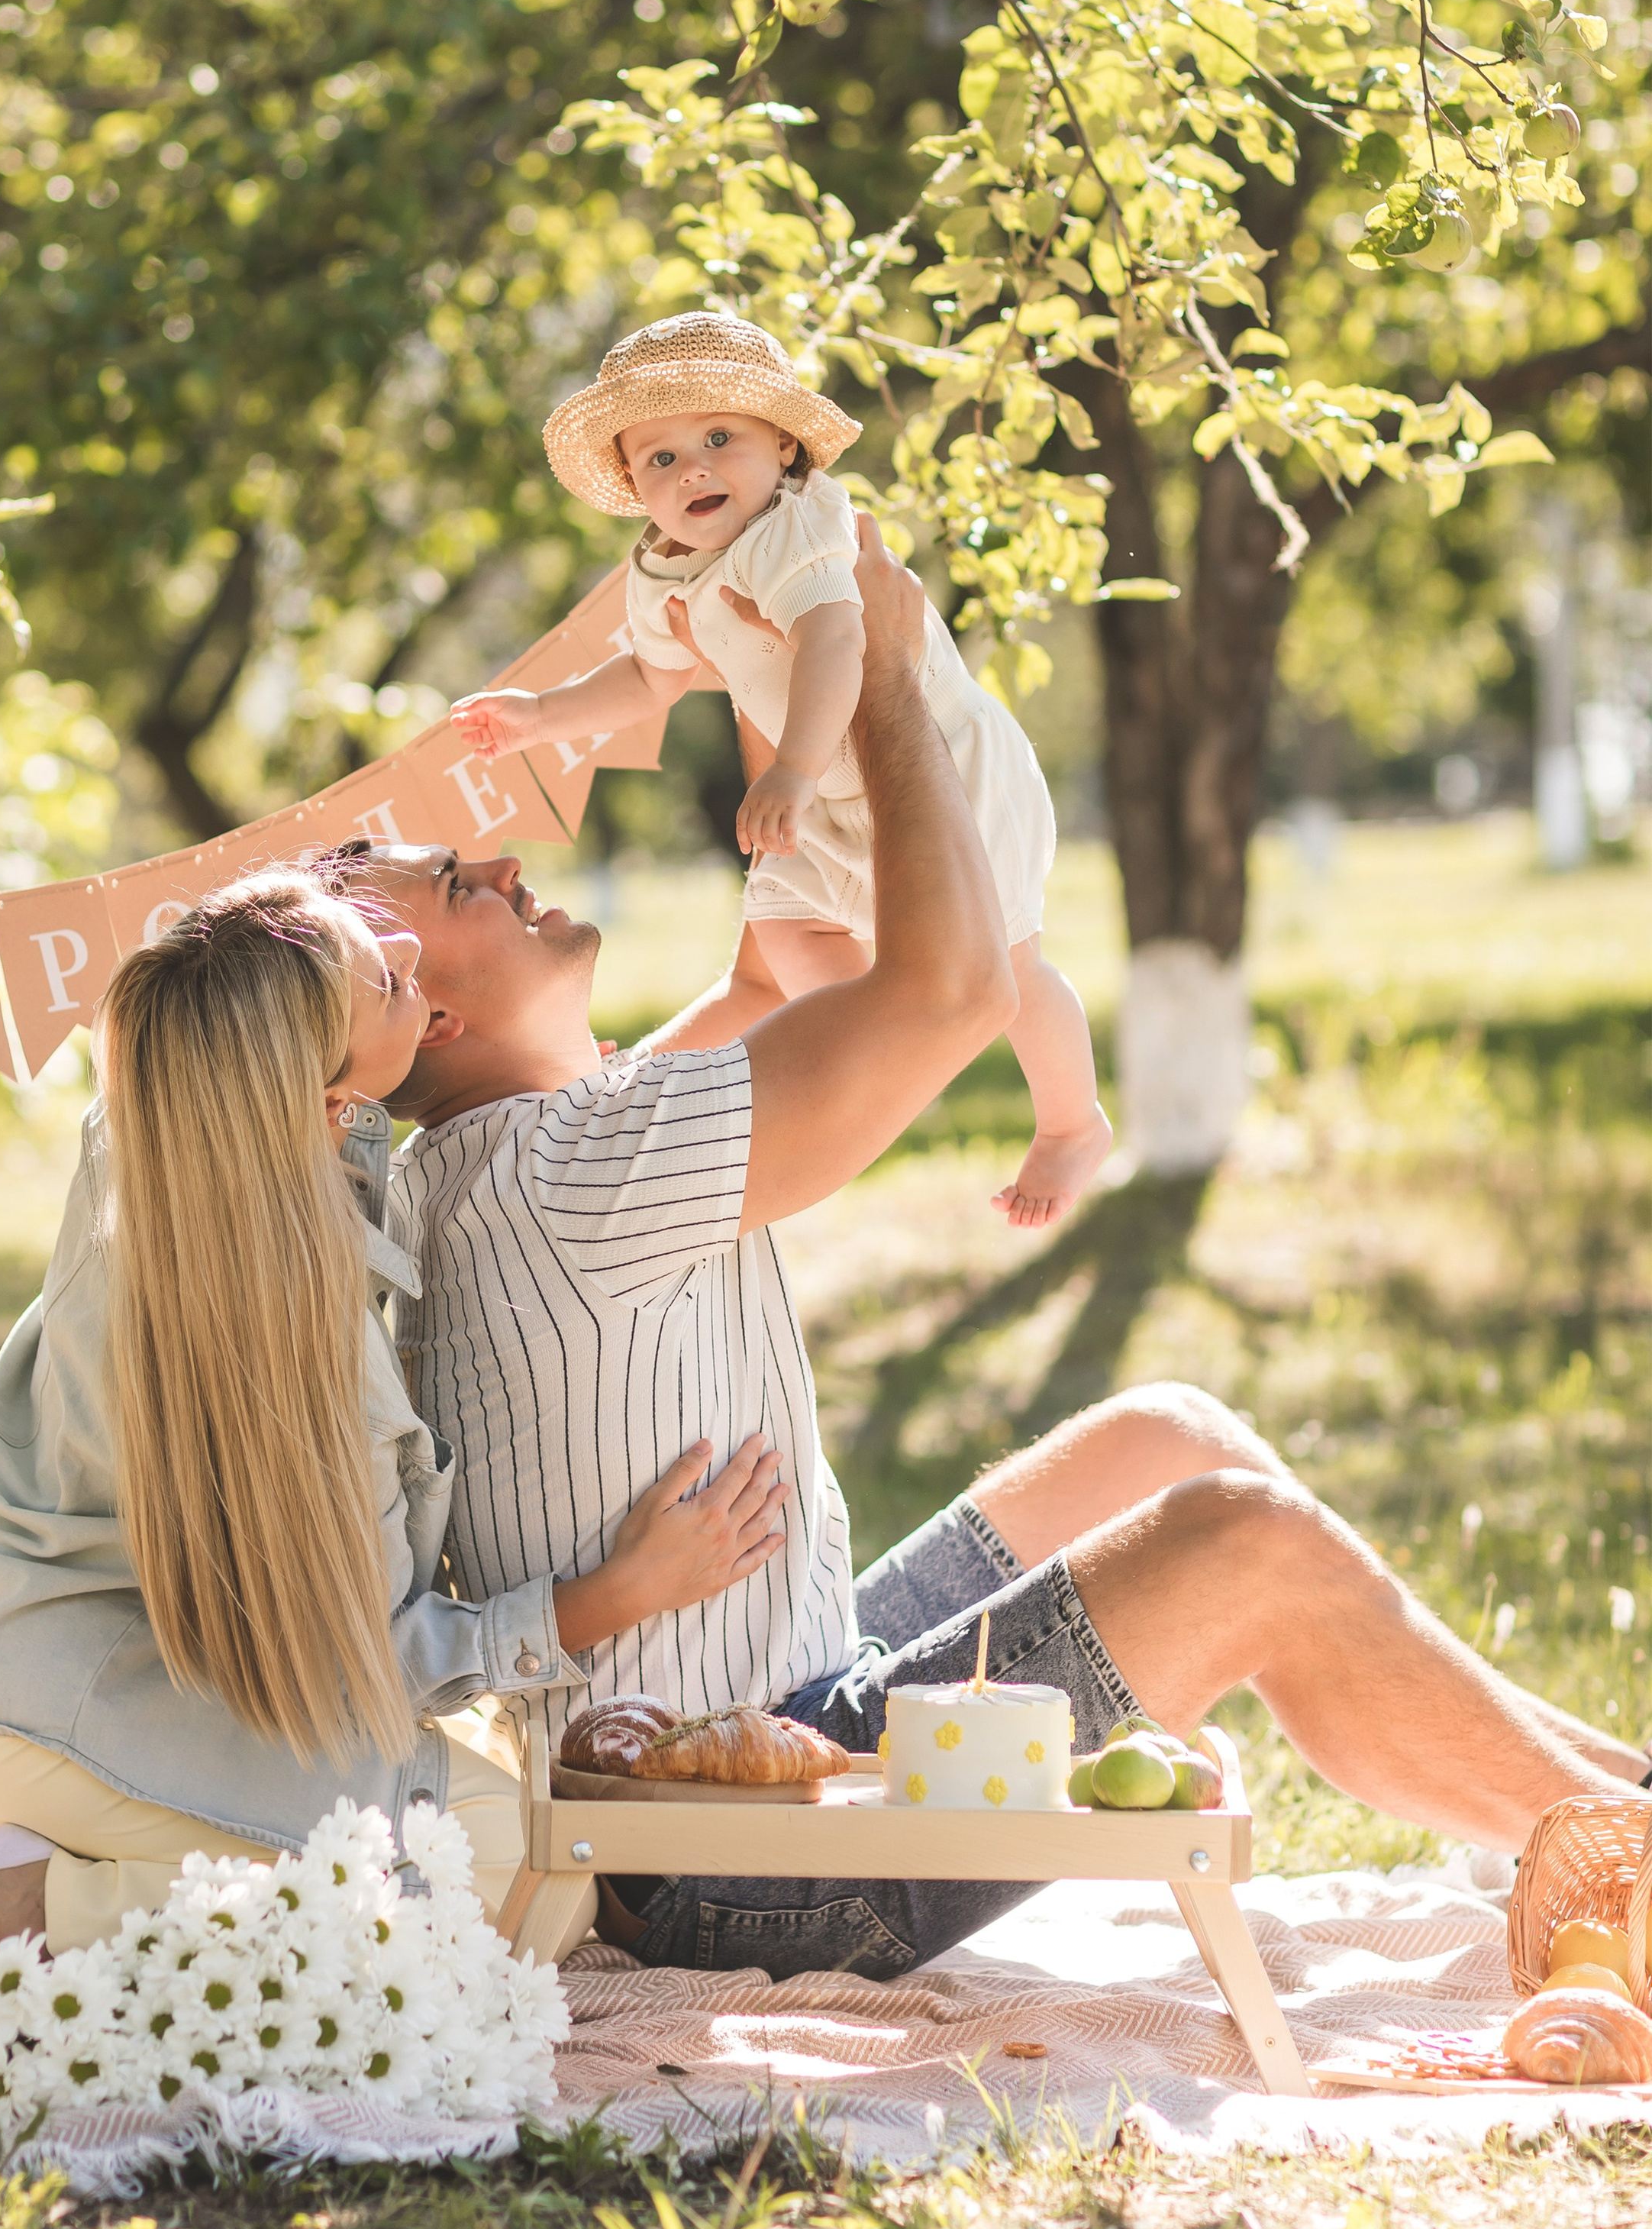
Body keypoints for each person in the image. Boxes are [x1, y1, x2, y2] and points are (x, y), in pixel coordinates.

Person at [347, 516, 1648, 1982]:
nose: (506, 867)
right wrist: (890, 677)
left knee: (1165, 1438)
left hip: (785, 1699)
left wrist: (798, 714)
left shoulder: (514, 1149)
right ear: (431, 1021)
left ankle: (1610, 1807)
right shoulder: (566, 1167)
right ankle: (1613, 1842)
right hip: (731, 1857)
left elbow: (768, 981)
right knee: (1245, 1543)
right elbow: (952, 990)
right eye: (460, 891)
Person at [0, 870, 783, 1961]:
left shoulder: (171, 1124)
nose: (407, 955)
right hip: (55, 1702)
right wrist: (607, 1598)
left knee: (507, 1857)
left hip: (7, 1646)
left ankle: (98, 1851)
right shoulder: (294, 1332)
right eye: (385, 979)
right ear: (328, 1106)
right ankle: (33, 1901)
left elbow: (204, 971)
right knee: (525, 1887)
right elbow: (354, 1662)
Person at [449, 309, 1109, 1229]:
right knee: (792, 929)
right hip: (834, 796)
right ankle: (879, 1057)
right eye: (662, 460)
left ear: (785, 446)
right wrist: (540, 716)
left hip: (936, 767)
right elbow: (650, 675)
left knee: (1002, 957)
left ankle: (1072, 1123)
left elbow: (839, 637)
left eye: (719, 438)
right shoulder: (664, 568)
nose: (695, 471)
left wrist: (792, 769)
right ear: (635, 487)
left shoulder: (793, 529)